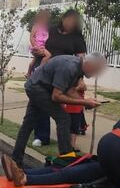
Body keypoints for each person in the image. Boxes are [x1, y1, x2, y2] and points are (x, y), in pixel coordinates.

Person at [11, 52, 107, 167]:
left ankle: (15, 161)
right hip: (38, 88)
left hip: (38, 86)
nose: (96, 74)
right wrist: (84, 102)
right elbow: (56, 96)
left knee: (28, 125)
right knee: (63, 118)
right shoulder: (69, 67)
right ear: (90, 64)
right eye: (96, 70)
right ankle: (65, 160)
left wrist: (86, 102)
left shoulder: (77, 68)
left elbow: (69, 90)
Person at [33, 10, 88, 147]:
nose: (70, 23)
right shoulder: (51, 31)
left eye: (73, 22)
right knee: (41, 104)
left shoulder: (77, 38)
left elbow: (81, 61)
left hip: (64, 76)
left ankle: (69, 142)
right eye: (68, 20)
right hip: (45, 71)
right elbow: (40, 44)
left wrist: (80, 79)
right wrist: (38, 51)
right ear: (63, 19)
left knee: (66, 109)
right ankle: (41, 136)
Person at [27, 11, 51, 77]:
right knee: (48, 55)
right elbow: (31, 37)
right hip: (37, 46)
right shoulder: (36, 27)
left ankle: (28, 73)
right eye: (44, 19)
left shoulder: (46, 28)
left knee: (34, 60)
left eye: (47, 20)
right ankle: (40, 69)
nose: (45, 21)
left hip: (43, 47)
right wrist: (36, 46)